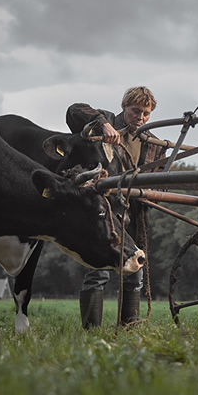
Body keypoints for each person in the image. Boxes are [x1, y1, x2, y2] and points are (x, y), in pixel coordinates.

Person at [66, 86, 162, 329]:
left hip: (136, 215)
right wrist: (102, 125)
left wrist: (154, 194)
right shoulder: (105, 122)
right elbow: (74, 110)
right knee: (99, 271)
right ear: (124, 108)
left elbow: (159, 180)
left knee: (135, 272)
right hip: (105, 212)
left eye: (146, 113)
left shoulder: (154, 143)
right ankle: (91, 331)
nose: (140, 118)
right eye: (135, 111)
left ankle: (129, 328)